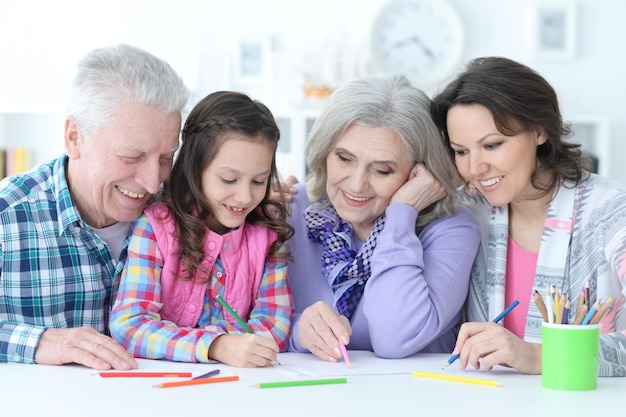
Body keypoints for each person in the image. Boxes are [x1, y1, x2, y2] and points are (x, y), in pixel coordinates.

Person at [431, 56, 626, 377]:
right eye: (461, 151)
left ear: (539, 130)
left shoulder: (610, 211)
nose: (475, 169)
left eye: (492, 145)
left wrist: (540, 356)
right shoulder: (468, 213)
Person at [0, 44, 189, 370]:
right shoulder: (8, 216)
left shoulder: (184, 213)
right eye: (131, 157)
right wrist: (43, 341)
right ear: (74, 138)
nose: (151, 182)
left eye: (165, 158)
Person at [285, 74, 481, 362]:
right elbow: (242, 321)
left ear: (419, 172)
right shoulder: (291, 207)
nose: (356, 185)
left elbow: (395, 339)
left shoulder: (452, 229)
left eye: (382, 170)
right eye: (344, 158)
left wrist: (401, 215)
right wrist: (297, 331)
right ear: (324, 150)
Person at [109, 91, 294, 368]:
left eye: (258, 181)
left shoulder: (267, 233)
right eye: (229, 179)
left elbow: (275, 326)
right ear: (195, 169)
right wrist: (216, 346)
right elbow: (129, 326)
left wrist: (230, 347)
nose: (244, 197)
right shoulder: (156, 226)